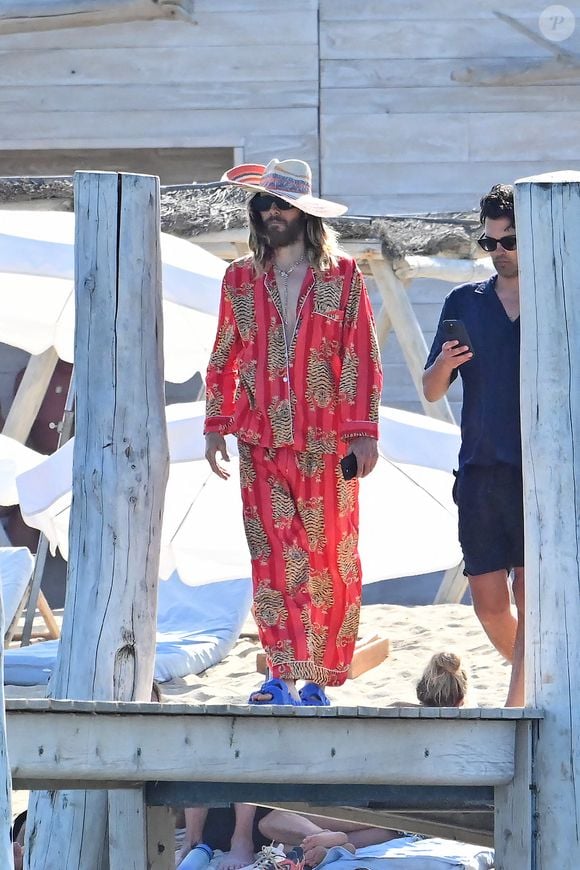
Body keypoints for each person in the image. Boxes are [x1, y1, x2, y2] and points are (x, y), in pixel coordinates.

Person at [204, 158, 383, 706]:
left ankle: (320, 680)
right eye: (263, 204)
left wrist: (363, 431)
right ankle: (280, 673)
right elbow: (223, 355)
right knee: (271, 556)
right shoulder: (237, 279)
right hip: (259, 439)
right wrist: (215, 425)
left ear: (304, 213)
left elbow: (362, 353)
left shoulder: (344, 275)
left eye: (281, 204)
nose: (271, 213)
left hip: (329, 442)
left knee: (330, 556)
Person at [422, 183, 524, 707]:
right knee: (488, 606)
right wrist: (444, 365)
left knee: (534, 604)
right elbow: (432, 389)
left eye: (509, 241)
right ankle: (541, 681)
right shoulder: (464, 301)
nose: (499, 251)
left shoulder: (560, 297)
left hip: (538, 473)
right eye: (490, 243)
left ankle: (519, 703)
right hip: (479, 469)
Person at [176, 804, 399, 869]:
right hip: (273, 836)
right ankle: (336, 843)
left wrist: (191, 841)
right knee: (384, 831)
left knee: (271, 822)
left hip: (265, 819)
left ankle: (327, 838)